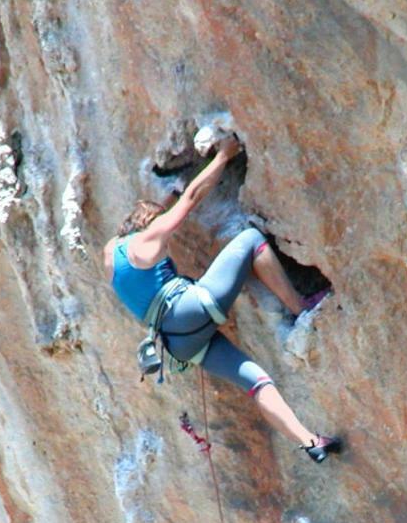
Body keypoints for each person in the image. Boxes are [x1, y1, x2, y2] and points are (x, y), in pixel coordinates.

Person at [103, 137, 342, 463]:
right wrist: (222, 156)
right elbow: (190, 199)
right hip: (188, 310)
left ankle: (310, 441)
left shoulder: (111, 252)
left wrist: (160, 201)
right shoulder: (145, 242)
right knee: (251, 239)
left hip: (178, 343)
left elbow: (147, 221)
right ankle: (301, 309)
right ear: (149, 227)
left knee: (255, 381)